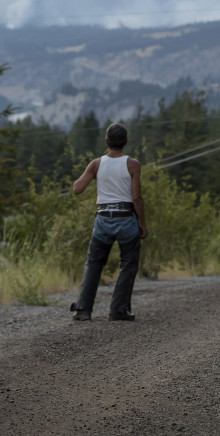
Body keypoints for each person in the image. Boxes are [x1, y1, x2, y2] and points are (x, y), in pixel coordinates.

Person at [69, 123, 148, 321]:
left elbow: (77, 189)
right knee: (128, 264)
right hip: (125, 218)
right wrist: (143, 225)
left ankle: (83, 310)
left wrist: (90, 177)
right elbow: (137, 197)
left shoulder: (96, 164)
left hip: (103, 219)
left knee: (94, 263)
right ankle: (118, 310)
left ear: (106, 141)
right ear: (126, 142)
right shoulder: (133, 165)